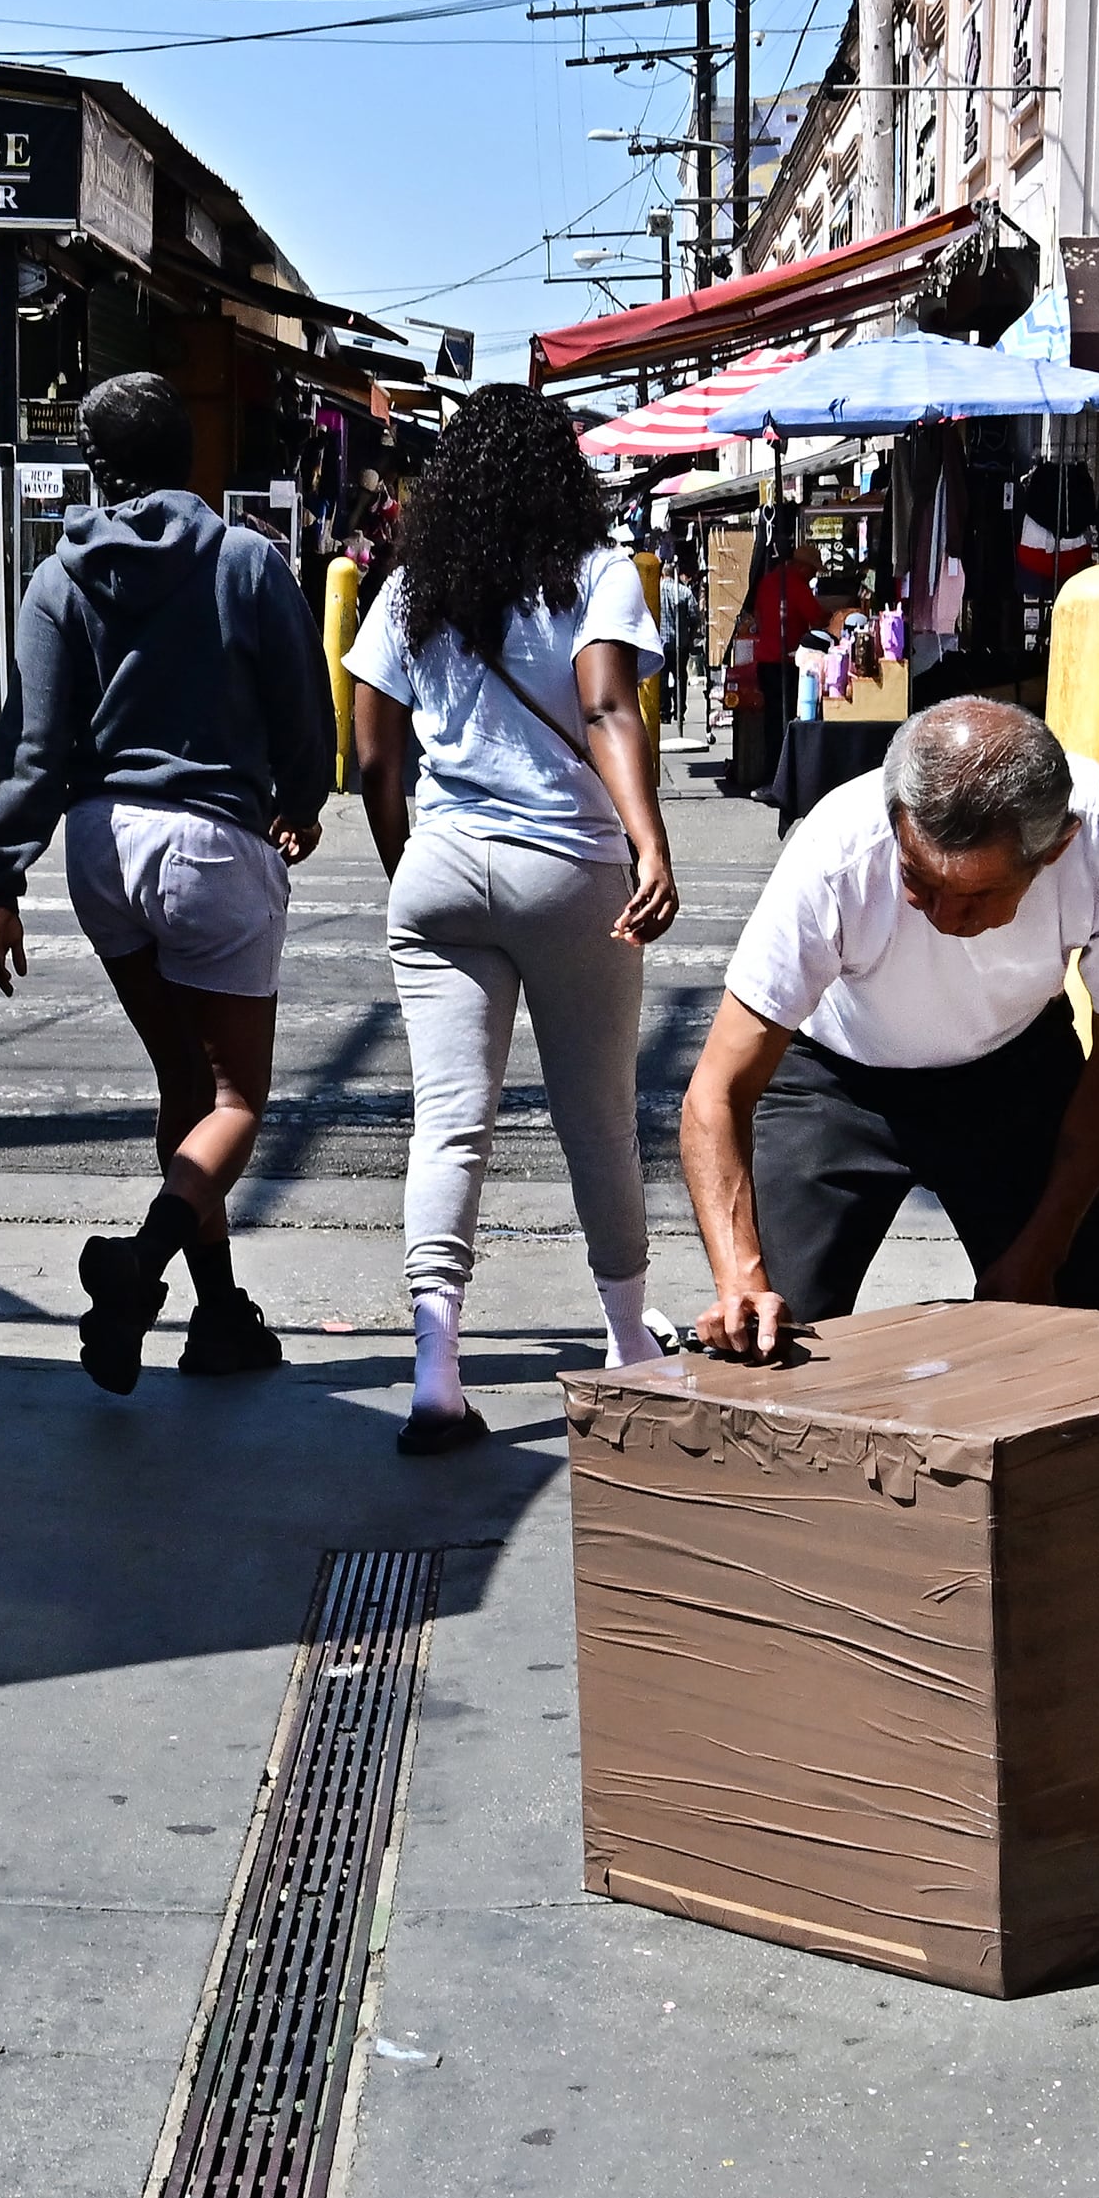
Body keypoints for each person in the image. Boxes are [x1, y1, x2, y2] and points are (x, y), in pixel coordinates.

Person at [0, 371, 335, 1392]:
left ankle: (218, 1314)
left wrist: (0, 878)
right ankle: (141, 1264)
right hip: (213, 843)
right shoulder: (244, 560)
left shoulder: (57, 579)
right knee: (234, 1099)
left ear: (98, 468)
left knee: (181, 1083)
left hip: (98, 844)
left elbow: (32, 747)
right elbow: (303, 705)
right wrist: (300, 800)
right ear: (192, 457)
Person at [346, 386, 681, 1457]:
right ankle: (628, 1346)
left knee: (449, 1125)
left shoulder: (407, 590)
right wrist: (651, 845)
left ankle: (435, 1371)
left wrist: (413, 865)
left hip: (439, 871)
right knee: (598, 1118)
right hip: (567, 870)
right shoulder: (594, 575)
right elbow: (607, 707)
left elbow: (369, 759)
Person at [678, 697, 1099, 1357]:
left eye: (977, 895)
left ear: (1055, 849)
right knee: (767, 1337)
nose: (944, 915)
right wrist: (739, 1276)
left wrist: (1043, 1248)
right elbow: (716, 1092)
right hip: (835, 1080)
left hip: (1016, 1068)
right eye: (919, 880)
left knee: (1092, 1336)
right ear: (896, 823)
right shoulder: (837, 850)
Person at [724, 524, 832, 797]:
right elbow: (818, 618)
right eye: (812, 572)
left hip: (767, 659)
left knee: (773, 721)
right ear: (804, 568)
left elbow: (761, 616)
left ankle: (774, 776)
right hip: (785, 661)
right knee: (789, 721)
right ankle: (783, 778)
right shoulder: (794, 585)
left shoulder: (769, 581)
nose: (811, 577)